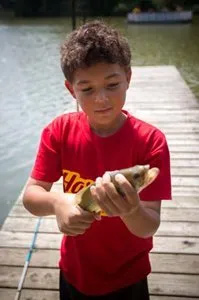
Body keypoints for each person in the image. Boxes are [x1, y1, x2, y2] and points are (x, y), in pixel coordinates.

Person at [23, 20, 172, 300]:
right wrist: (58, 203)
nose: (101, 98)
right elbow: (31, 196)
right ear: (71, 90)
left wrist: (131, 211)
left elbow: (149, 225)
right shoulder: (58, 131)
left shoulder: (152, 142)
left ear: (128, 77)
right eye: (87, 89)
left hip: (130, 276)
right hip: (74, 272)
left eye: (112, 84)